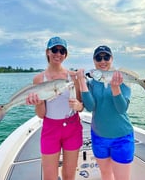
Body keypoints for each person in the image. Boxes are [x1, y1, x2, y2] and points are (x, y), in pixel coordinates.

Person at [26, 36, 84, 180]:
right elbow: (41, 115)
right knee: (49, 177)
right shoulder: (39, 79)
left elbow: (81, 106)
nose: (58, 54)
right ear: (47, 52)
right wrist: (38, 103)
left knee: (69, 175)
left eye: (62, 51)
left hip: (72, 127)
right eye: (55, 50)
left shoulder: (73, 77)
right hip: (50, 129)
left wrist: (78, 106)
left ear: (66, 55)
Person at [77, 45, 134, 180]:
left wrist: (115, 88)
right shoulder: (91, 83)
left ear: (111, 59)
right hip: (99, 136)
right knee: (106, 175)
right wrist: (82, 82)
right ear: (94, 61)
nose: (102, 61)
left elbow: (122, 109)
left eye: (106, 57)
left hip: (122, 137)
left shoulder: (122, 80)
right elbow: (90, 107)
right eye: (98, 58)